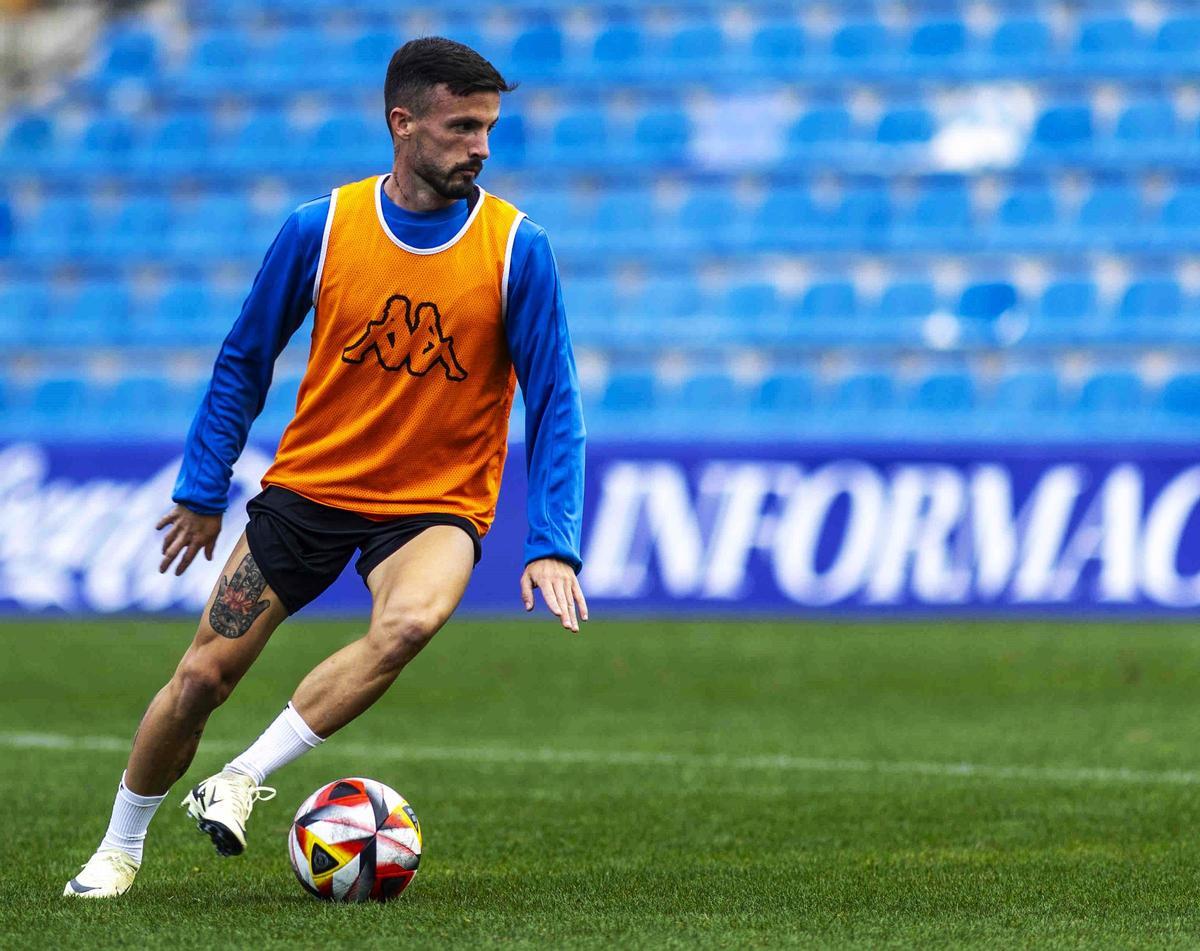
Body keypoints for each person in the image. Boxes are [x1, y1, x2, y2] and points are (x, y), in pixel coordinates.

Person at [64, 36, 587, 898]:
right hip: (311, 490)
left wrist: (552, 539)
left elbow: (556, 400)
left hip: (433, 505)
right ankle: (120, 845)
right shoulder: (323, 227)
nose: (482, 147)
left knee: (410, 624)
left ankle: (241, 778)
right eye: (462, 126)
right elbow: (244, 357)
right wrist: (203, 487)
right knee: (201, 676)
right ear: (402, 122)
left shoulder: (516, 249)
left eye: (489, 128)